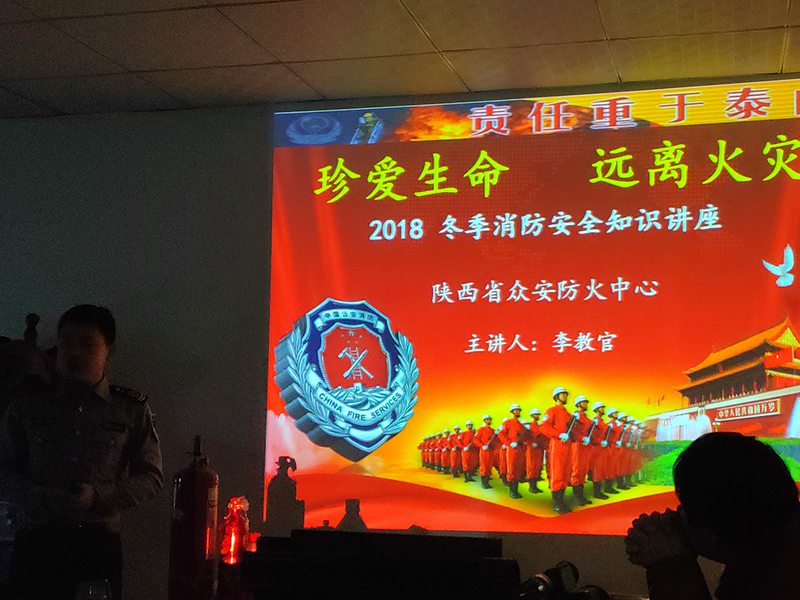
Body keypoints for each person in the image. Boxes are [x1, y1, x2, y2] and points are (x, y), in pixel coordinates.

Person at [0, 305, 163, 600]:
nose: (74, 353)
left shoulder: (130, 409)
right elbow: (4, 470)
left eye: (87, 345)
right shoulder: (27, 405)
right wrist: (39, 496)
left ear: (109, 351)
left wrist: (99, 497)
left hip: (96, 545)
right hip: (37, 543)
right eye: (66, 344)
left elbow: (151, 476)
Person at [625, 432, 800, 600]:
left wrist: (670, 566)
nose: (678, 516)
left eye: (688, 508)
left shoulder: (780, 581)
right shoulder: (770, 551)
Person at [539, 386, 574, 514]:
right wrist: (558, 434)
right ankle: (557, 503)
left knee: (565, 473)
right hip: (557, 444)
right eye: (562, 394)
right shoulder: (551, 410)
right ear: (556, 397)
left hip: (568, 445)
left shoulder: (568, 414)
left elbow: (573, 430)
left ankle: (561, 499)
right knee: (558, 472)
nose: (565, 396)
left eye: (565, 394)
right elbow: (543, 426)